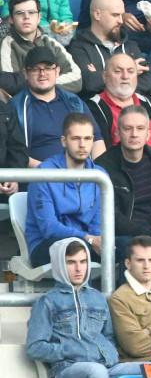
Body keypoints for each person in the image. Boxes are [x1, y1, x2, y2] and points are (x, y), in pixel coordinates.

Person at [25, 237, 116, 378]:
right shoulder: (47, 302)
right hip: (67, 370)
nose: (78, 268)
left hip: (104, 365)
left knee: (145, 369)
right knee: (96, 372)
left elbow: (109, 336)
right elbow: (35, 347)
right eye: (71, 262)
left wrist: (110, 354)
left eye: (83, 262)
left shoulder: (98, 298)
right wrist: (70, 350)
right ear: (59, 264)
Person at [24, 114, 104, 266]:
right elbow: (49, 228)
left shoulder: (99, 175)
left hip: (86, 242)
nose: (82, 145)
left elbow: (97, 224)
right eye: (76, 138)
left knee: (126, 248)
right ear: (64, 141)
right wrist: (88, 238)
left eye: (87, 138)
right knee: (77, 250)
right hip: (46, 244)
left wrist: (97, 240)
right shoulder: (44, 173)